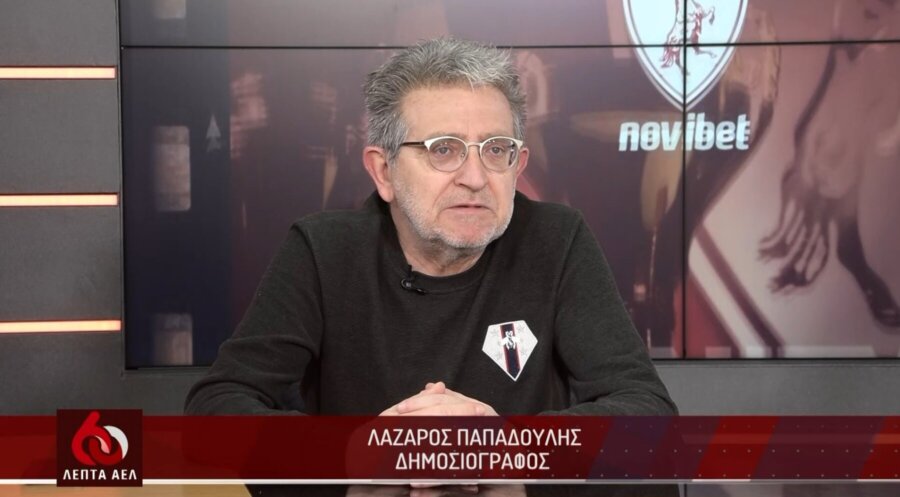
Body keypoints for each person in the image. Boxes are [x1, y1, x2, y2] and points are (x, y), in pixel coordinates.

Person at [185, 37, 676, 419]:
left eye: (496, 150)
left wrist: (506, 448)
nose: (475, 177)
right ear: (383, 172)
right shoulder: (323, 251)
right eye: (443, 149)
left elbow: (646, 409)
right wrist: (364, 455)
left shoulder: (556, 239)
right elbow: (219, 404)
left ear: (518, 164)